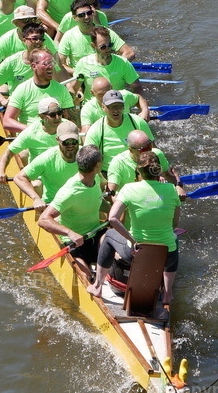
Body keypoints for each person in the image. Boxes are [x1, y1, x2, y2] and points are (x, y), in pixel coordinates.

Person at [88, 151, 187, 305]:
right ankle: (168, 293)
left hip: (136, 251)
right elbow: (174, 223)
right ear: (158, 170)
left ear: (138, 171)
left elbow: (112, 218)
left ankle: (97, 286)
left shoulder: (129, 189)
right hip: (165, 254)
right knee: (173, 239)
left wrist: (131, 239)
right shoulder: (171, 190)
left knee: (108, 237)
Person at [38, 145, 105, 275]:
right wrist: (70, 233)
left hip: (95, 233)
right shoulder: (70, 192)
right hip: (74, 243)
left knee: (119, 256)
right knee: (87, 277)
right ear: (97, 166)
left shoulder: (96, 178)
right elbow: (43, 220)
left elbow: (97, 200)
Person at [0, 6, 56, 94]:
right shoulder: (6, 39)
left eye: (32, 20)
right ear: (16, 23)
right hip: (12, 80)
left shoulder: (43, 38)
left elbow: (59, 64)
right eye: (25, 21)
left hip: (39, 80)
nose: (29, 24)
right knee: (2, 90)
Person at [0, 23, 62, 106]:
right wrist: (2, 100)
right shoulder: (12, 62)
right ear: (24, 40)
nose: (38, 42)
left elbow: (57, 84)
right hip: (20, 107)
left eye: (41, 39)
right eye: (34, 39)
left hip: (46, 107)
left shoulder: (49, 61)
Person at [13, 120, 81, 210]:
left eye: (74, 142)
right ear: (57, 140)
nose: (70, 146)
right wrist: (36, 198)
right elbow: (19, 178)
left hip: (80, 204)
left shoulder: (86, 155)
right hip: (55, 207)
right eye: (66, 142)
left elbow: (100, 182)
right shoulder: (47, 158)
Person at [3, 50, 75, 133]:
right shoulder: (22, 90)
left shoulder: (61, 89)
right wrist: (34, 131)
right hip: (31, 140)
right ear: (34, 66)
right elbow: (7, 121)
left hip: (57, 140)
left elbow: (72, 119)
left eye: (52, 63)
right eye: (46, 63)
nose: (51, 66)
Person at [56, 0, 134, 73]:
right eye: (81, 15)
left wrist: (114, 69)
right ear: (74, 18)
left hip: (106, 76)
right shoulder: (68, 36)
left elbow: (129, 53)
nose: (86, 17)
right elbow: (60, 64)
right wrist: (80, 73)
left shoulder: (104, 32)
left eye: (89, 13)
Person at [0, 98, 62, 183]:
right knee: (36, 185)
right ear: (41, 116)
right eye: (52, 115)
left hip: (63, 169)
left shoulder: (68, 127)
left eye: (60, 113)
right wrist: (1, 171)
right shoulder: (31, 132)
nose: (57, 117)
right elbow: (9, 152)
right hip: (40, 174)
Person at [83, 89, 153, 171]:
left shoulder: (137, 122)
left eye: (119, 106)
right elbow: (88, 161)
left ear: (124, 106)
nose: (115, 110)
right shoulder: (95, 130)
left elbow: (152, 149)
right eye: (111, 106)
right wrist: (102, 180)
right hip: (108, 173)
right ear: (103, 107)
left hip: (139, 171)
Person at [73, 26, 144, 100]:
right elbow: (74, 89)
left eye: (110, 45)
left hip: (116, 108)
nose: (108, 49)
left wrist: (135, 104)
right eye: (103, 47)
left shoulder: (123, 63)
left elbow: (138, 88)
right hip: (92, 110)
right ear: (93, 46)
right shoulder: (83, 64)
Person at [106, 130, 180, 195]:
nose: (148, 152)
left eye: (149, 146)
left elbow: (168, 173)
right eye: (143, 149)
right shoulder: (118, 163)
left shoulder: (157, 154)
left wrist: (178, 186)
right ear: (131, 150)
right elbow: (110, 193)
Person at [79, 76, 148, 130]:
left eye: (107, 92)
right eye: (100, 94)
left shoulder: (124, 96)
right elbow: (86, 133)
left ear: (111, 88)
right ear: (92, 93)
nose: (105, 97)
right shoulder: (87, 109)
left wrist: (144, 111)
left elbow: (139, 98)